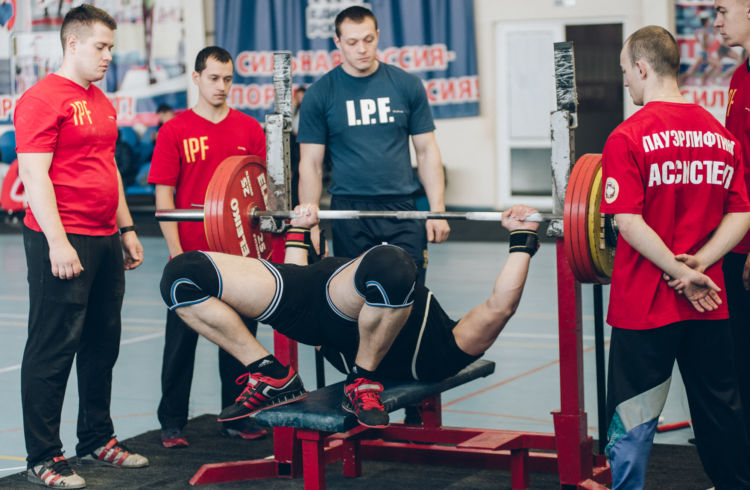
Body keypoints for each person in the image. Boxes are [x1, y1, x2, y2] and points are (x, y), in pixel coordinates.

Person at [158, 204, 539, 428]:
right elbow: (498, 307)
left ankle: (363, 379)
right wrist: (298, 231)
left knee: (391, 266)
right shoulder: (443, 349)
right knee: (181, 277)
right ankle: (271, 372)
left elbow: (500, 307)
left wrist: (297, 234)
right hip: (326, 292)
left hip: (331, 309)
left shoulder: (436, 359)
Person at [601, 25, 750, 489]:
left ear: (642, 68)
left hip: (645, 305)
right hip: (708, 300)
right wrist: (701, 266)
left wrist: (675, 269)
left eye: (626, 72)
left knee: (633, 418)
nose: (626, 82)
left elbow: (627, 221)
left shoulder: (627, 137)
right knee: (719, 411)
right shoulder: (722, 137)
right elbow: (742, 213)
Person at [14, 5, 148, 489]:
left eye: (111, 47)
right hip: (62, 240)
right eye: (101, 46)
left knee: (101, 346)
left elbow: (107, 166)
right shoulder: (41, 99)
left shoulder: (99, 100)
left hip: (104, 238)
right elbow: (33, 176)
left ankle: (97, 438)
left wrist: (127, 229)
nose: (109, 55)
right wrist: (57, 241)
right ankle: (43, 456)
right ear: (73, 44)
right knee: (53, 349)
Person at [147, 46, 268, 448]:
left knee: (238, 341)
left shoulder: (249, 129)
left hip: (237, 260)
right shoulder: (175, 130)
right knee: (180, 345)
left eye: (228, 79)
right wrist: (176, 255)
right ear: (196, 78)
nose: (221, 86)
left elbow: (260, 193)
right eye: (213, 78)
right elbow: (164, 200)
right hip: (191, 261)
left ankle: (237, 417)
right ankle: (171, 422)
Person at [297, 6, 450, 284]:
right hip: (349, 211)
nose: (362, 49)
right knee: (353, 300)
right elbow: (311, 164)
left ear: (378, 35)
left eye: (368, 39)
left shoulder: (407, 85)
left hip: (404, 208)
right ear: (338, 42)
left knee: (409, 294)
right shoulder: (321, 94)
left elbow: (427, 152)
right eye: (352, 42)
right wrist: (312, 222)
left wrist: (436, 210)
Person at [713, 0, 750, 445]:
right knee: (738, 362)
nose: (717, 22)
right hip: (735, 243)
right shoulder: (738, 77)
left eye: (723, 10)